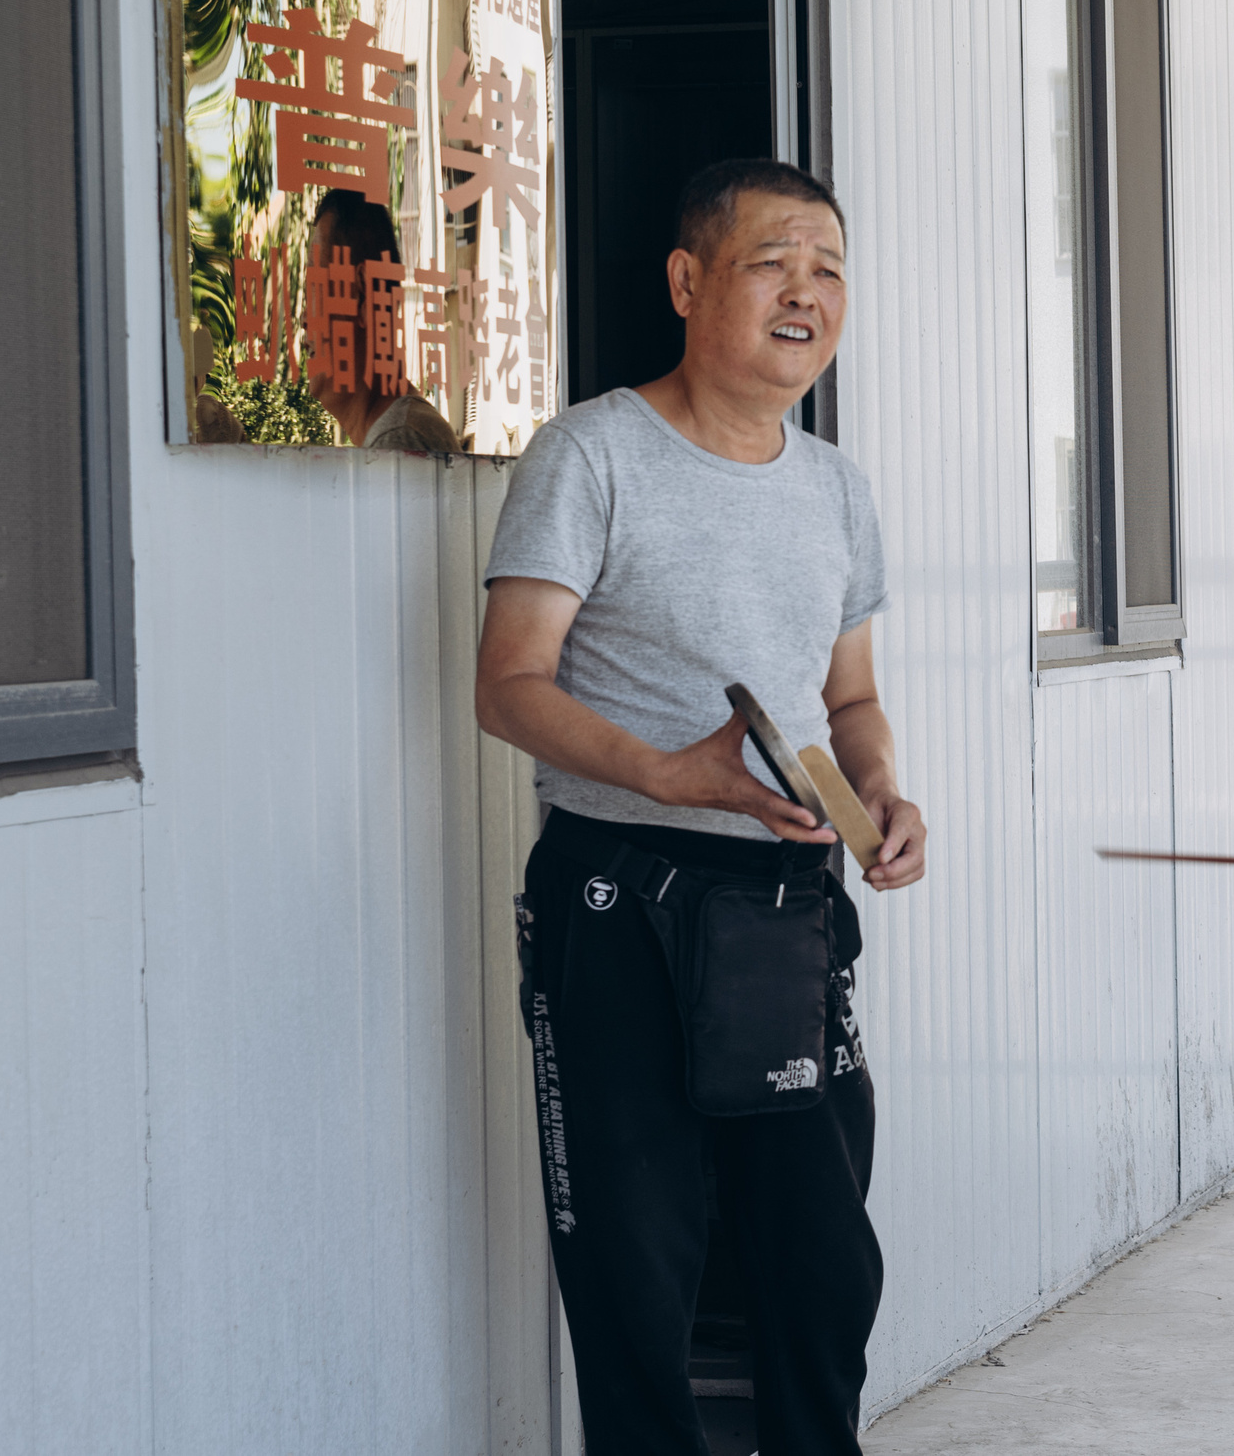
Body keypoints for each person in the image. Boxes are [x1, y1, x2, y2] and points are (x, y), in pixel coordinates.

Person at [475, 158, 926, 1456]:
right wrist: (668, 771)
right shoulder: (591, 452)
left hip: (783, 907)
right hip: (616, 897)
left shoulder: (836, 486)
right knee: (635, 1267)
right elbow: (507, 684)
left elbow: (848, 698)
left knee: (820, 1259)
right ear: (688, 281)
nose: (807, 293)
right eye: (773, 262)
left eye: (829, 269)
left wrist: (880, 793)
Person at [306, 189, 463, 452]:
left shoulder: (398, 441)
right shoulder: (395, 434)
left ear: (363, 294)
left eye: (315, 287)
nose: (303, 320)